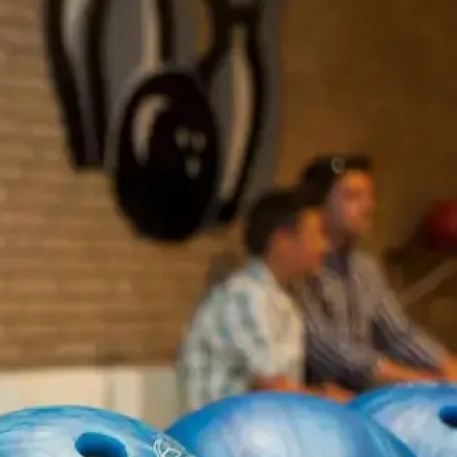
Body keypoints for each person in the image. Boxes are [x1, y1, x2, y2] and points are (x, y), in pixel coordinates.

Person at [294, 153, 457, 393]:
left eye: (369, 196)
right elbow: (331, 353)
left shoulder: (365, 267)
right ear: (320, 206)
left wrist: (447, 365)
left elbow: (399, 334)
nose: (368, 205)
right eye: (353, 196)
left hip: (363, 398)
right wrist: (424, 382)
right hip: (316, 403)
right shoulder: (301, 267)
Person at [176, 186, 345, 413]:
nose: (325, 246)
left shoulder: (280, 297)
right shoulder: (244, 294)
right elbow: (274, 387)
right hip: (220, 437)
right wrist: (329, 398)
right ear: (281, 242)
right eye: (317, 235)